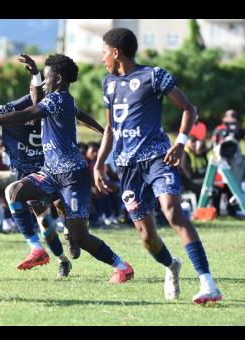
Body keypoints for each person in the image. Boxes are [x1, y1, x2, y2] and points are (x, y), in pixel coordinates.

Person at [0, 53, 134, 283]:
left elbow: (26, 113)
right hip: (50, 172)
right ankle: (37, 249)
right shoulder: (62, 99)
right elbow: (67, 110)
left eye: (48, 77)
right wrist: (37, 75)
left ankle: (122, 266)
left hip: (73, 175)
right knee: (14, 192)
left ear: (58, 79)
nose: (45, 82)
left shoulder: (58, 99)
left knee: (81, 236)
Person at [94, 27, 221, 303]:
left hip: (157, 158)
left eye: (103, 52)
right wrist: (99, 164)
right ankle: (171, 265)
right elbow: (110, 129)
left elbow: (189, 108)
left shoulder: (154, 75)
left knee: (173, 211)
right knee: (147, 238)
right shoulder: (108, 83)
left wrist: (181, 143)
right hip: (127, 168)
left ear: (115, 53)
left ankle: (207, 283)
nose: (102, 58)